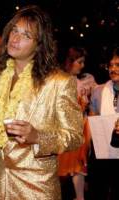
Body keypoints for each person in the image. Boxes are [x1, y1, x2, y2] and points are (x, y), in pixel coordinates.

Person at [0, 5, 83, 200]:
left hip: (37, 189)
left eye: (26, 35)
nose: (15, 39)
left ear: (39, 45)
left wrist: (38, 137)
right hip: (1, 184)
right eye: (14, 30)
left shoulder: (59, 82)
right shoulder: (0, 77)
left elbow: (75, 136)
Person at [57, 47, 97, 200]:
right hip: (67, 131)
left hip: (79, 131)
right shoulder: (61, 81)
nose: (82, 65)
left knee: (77, 169)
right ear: (70, 62)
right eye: (79, 62)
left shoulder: (80, 81)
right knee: (63, 169)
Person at [88, 47, 119, 200]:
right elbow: (92, 120)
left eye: (118, 65)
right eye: (111, 65)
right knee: (98, 191)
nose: (113, 69)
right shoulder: (98, 91)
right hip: (102, 153)